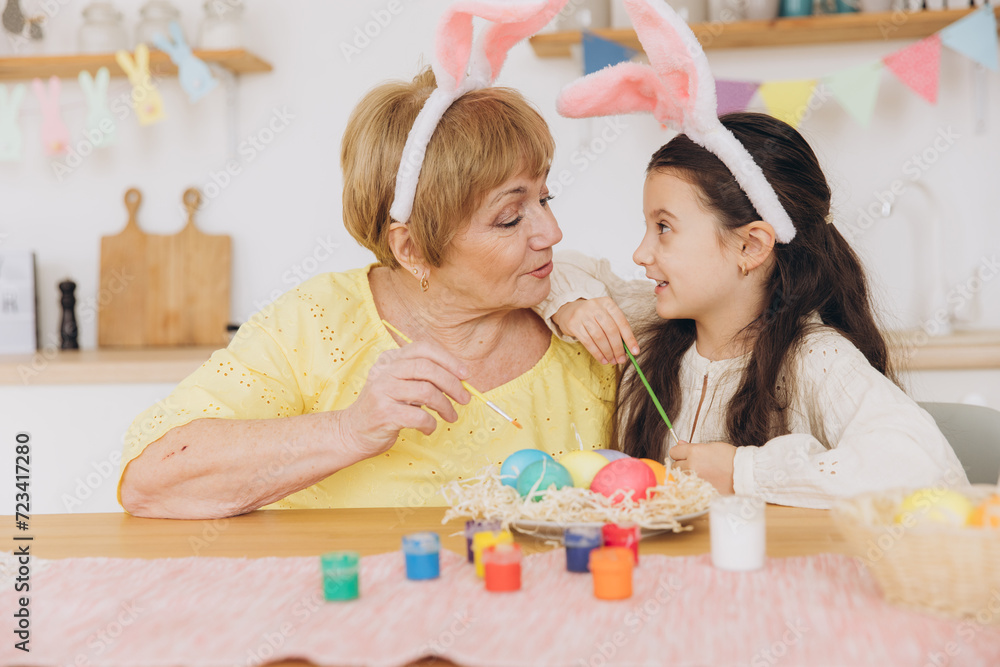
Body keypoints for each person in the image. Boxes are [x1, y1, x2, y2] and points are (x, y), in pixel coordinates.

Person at [117, 66, 616, 519]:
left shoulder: (589, 325)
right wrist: (348, 430)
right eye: (510, 217)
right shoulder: (316, 323)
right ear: (413, 248)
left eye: (546, 198)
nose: (551, 232)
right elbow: (150, 481)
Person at [538, 112, 968, 509]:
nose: (640, 253)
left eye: (664, 228)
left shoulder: (815, 359)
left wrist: (744, 473)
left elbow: (925, 469)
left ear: (750, 246)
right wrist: (574, 304)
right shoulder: (645, 320)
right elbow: (548, 267)